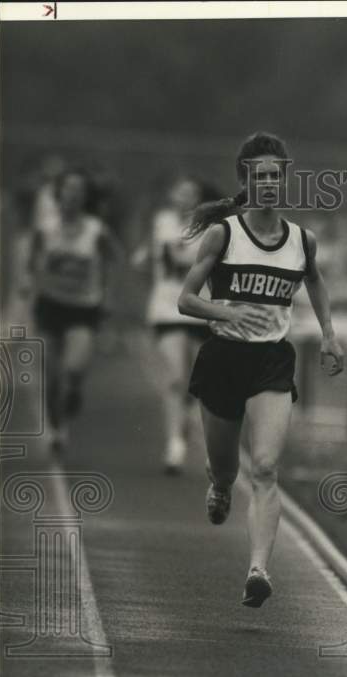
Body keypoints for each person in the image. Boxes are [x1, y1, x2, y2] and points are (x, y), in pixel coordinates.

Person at [178, 132, 345, 608]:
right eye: (260, 176)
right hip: (224, 359)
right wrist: (226, 313)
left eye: (276, 175)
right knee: (228, 467)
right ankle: (220, 484)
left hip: (271, 360)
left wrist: (329, 333)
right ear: (246, 180)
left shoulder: (301, 240)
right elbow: (186, 299)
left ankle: (258, 570)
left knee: (267, 467)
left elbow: (314, 281)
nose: (269, 183)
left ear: (285, 179)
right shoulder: (224, 234)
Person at [21, 167, 121, 454]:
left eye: (79, 191)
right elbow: (31, 259)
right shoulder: (46, 228)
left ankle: (74, 391)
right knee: (51, 376)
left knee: (74, 370)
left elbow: (114, 259)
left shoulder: (96, 229)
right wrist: (29, 281)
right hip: (50, 305)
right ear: (59, 194)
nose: (72, 196)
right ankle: (57, 428)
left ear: (85, 197)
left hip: (84, 307)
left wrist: (108, 294)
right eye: (67, 190)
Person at [133, 176, 215, 473]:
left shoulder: (211, 227)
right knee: (175, 378)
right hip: (167, 309)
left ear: (198, 198)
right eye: (180, 192)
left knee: (193, 383)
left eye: (191, 194)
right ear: (172, 195)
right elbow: (144, 257)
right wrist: (145, 262)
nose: (185, 198)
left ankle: (183, 423)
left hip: (200, 309)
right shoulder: (162, 222)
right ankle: (175, 445)